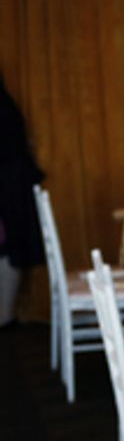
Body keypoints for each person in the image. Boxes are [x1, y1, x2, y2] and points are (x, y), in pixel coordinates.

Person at [0, 74, 46, 328]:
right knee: (9, 251)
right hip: (13, 189)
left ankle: (4, 315)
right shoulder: (7, 106)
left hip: (9, 191)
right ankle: (4, 315)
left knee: (8, 251)